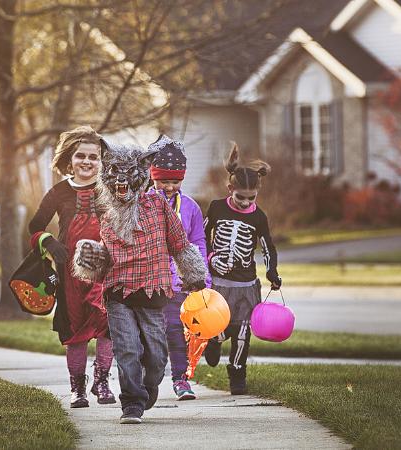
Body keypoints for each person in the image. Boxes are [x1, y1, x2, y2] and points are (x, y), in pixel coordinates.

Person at [72, 140, 208, 424]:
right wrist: (91, 258)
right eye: (115, 175)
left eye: (127, 175)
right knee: (127, 349)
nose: (121, 182)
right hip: (119, 293)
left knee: (157, 357)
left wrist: (194, 276)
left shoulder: (158, 205)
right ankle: (131, 404)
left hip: (154, 291)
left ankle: (147, 388)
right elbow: (106, 258)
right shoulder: (107, 214)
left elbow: (180, 244)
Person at [27, 126, 115, 408]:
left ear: (102, 161)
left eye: (94, 157)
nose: (87, 162)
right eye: (81, 156)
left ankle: (102, 382)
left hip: (106, 270)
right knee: (74, 331)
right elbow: (34, 226)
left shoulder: (110, 188)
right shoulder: (58, 192)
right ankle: (77, 388)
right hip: (70, 274)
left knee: (107, 327)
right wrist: (49, 242)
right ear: (70, 159)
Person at [203, 143, 282, 395]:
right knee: (218, 326)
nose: (245, 202)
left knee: (242, 331)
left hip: (246, 285)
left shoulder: (258, 217)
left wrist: (272, 272)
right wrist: (210, 258)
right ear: (230, 189)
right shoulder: (216, 207)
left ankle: (237, 372)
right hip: (219, 283)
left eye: (251, 198)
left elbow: (267, 246)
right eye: (240, 197)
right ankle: (213, 341)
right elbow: (201, 236)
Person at [146, 134, 209, 400]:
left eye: (175, 181)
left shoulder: (191, 207)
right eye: (164, 181)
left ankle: (181, 379)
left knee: (176, 331)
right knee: (150, 336)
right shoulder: (142, 203)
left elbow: (198, 243)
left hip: (177, 284)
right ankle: (147, 381)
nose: (169, 187)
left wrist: (201, 278)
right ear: (153, 177)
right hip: (148, 282)